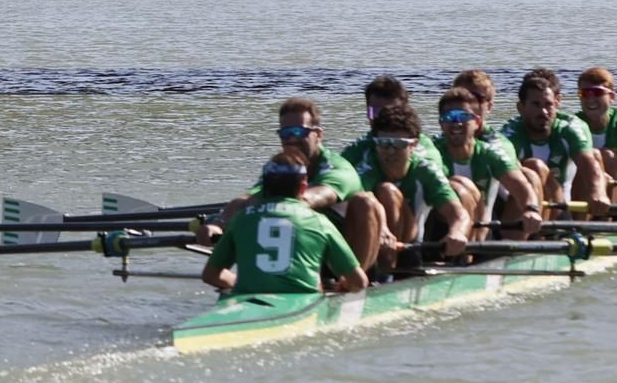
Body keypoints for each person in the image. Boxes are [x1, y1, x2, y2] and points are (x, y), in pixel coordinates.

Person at [202, 155, 368, 298]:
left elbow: (210, 275)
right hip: (304, 304)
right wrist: (344, 286)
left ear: (264, 186)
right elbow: (359, 282)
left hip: (248, 298)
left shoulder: (240, 218)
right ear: (303, 188)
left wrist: (240, 284)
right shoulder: (319, 221)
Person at [347, 101, 462, 277]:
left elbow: (458, 213)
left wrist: (457, 231)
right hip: (379, 241)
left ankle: (386, 275)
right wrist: (382, 229)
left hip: (412, 245)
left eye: (399, 144)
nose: (390, 151)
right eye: (384, 143)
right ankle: (376, 274)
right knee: (378, 194)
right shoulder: (368, 167)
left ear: (413, 145)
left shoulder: (426, 170)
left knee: (388, 191)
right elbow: (359, 197)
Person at [432, 84, 534, 252]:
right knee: (459, 187)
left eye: (463, 116)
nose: (456, 122)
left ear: (477, 122)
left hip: (482, 234)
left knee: (529, 176)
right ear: (441, 123)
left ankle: (487, 253)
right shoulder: (433, 152)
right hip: (439, 233)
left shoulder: (490, 153)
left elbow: (520, 185)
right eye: (449, 117)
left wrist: (531, 209)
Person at [499, 66, 606, 214]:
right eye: (536, 104)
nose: (543, 112)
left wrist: (598, 191)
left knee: (595, 158)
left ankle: (595, 218)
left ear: (556, 103)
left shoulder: (570, 128)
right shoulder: (510, 134)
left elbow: (588, 163)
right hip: (519, 209)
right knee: (535, 167)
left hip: (563, 210)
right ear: (520, 108)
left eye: (548, 104)